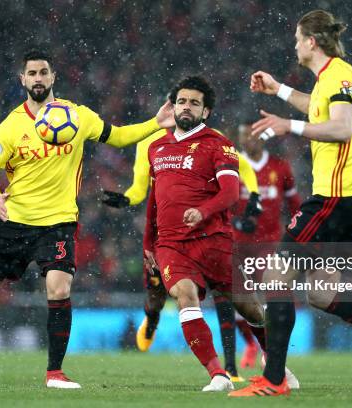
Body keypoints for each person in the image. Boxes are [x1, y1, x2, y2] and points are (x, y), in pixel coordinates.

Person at [0, 50, 175, 389]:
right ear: (22, 79)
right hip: (14, 222)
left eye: (43, 72)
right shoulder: (11, 124)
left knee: (59, 287)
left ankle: (55, 372)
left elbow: (118, 135)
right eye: (31, 73)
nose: (37, 78)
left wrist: (157, 122)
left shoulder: (78, 117)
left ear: (53, 77)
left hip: (58, 222)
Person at [229, 10, 352, 397]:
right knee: (323, 294)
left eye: (296, 38)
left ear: (311, 42)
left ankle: (274, 379)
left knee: (276, 277)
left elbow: (341, 127)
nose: (293, 45)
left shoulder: (341, 75)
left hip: (334, 199)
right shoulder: (328, 79)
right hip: (344, 200)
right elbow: (319, 107)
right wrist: (280, 91)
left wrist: (288, 125)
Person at [137, 75, 269, 392]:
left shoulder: (219, 145)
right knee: (185, 296)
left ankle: (271, 354)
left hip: (213, 241)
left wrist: (204, 211)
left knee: (248, 307)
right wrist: (148, 243)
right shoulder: (156, 147)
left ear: (205, 111)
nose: (186, 107)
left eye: (194, 103)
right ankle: (217, 374)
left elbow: (230, 192)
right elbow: (154, 201)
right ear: (173, 106)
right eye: (181, 101)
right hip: (170, 243)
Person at [102, 129, 261, 383]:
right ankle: (151, 322)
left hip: (207, 237)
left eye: (190, 102)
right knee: (155, 296)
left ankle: (228, 368)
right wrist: (127, 199)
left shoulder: (214, 139)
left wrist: (254, 193)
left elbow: (242, 166)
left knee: (226, 298)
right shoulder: (150, 143)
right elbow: (143, 189)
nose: (180, 108)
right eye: (176, 102)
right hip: (167, 236)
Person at [231, 123, 301, 370]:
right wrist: (235, 221)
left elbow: (295, 205)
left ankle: (274, 351)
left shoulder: (280, 167)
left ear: (263, 138)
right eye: (243, 137)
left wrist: (297, 234)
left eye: (252, 136)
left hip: (268, 244)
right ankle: (252, 344)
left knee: (275, 293)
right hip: (237, 245)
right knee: (239, 301)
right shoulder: (232, 164)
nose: (247, 141)